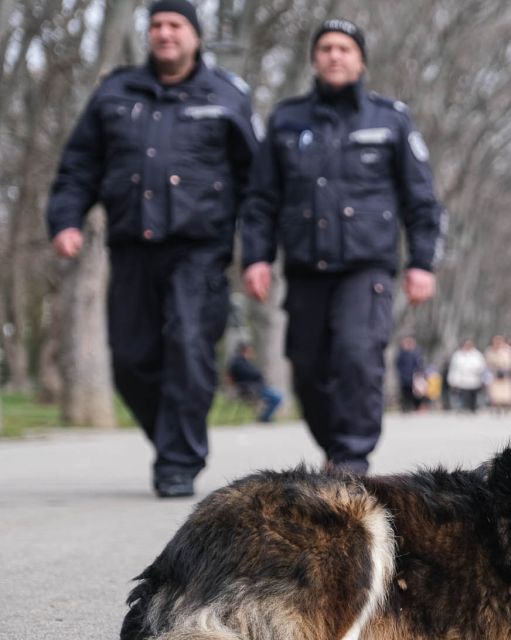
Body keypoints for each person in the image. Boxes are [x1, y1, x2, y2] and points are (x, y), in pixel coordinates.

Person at [45, 1, 257, 498]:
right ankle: (171, 436)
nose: (165, 33)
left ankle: (178, 463)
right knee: (132, 360)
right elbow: (79, 164)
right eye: (156, 25)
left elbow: (258, 181)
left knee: (188, 347)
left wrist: (260, 251)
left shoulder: (227, 96)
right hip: (131, 246)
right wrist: (66, 220)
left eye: (176, 25)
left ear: (196, 36)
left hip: (198, 249)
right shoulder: (114, 93)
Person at [239, 19, 444, 474]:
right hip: (306, 266)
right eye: (326, 48)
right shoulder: (287, 119)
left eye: (345, 49)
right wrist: (255, 256)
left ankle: (352, 458)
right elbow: (260, 199)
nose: (335, 55)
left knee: (357, 354)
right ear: (314, 59)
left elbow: (422, 199)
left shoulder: (390, 119)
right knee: (307, 366)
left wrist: (421, 263)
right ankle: (334, 446)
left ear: (361, 60)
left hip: (365, 267)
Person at [228, 343, 284, 423]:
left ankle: (265, 417)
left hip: (254, 387)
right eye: (250, 351)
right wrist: (260, 375)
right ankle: (264, 418)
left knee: (277, 396)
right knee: (278, 397)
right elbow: (253, 374)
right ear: (245, 351)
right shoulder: (239, 363)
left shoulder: (241, 362)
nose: (251, 353)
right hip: (251, 389)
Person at [446, 339, 487, 412]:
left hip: (474, 379)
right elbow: (454, 368)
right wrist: (453, 380)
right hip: (462, 380)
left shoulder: (477, 355)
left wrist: (476, 371)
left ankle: (473, 408)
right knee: (464, 395)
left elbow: (482, 366)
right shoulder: (457, 355)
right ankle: (464, 408)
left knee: (473, 395)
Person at [484, 335, 511, 412]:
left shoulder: (508, 350)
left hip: (506, 375)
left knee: (507, 393)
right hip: (495, 375)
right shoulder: (490, 351)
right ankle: (496, 408)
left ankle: (507, 407)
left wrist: (506, 369)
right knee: (495, 394)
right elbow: (487, 363)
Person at [394, 336, 426, 413]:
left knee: (416, 393)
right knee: (405, 392)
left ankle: (416, 407)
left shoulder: (415, 353)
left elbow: (419, 364)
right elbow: (398, 365)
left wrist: (419, 373)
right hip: (404, 377)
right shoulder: (401, 354)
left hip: (414, 376)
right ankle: (406, 407)